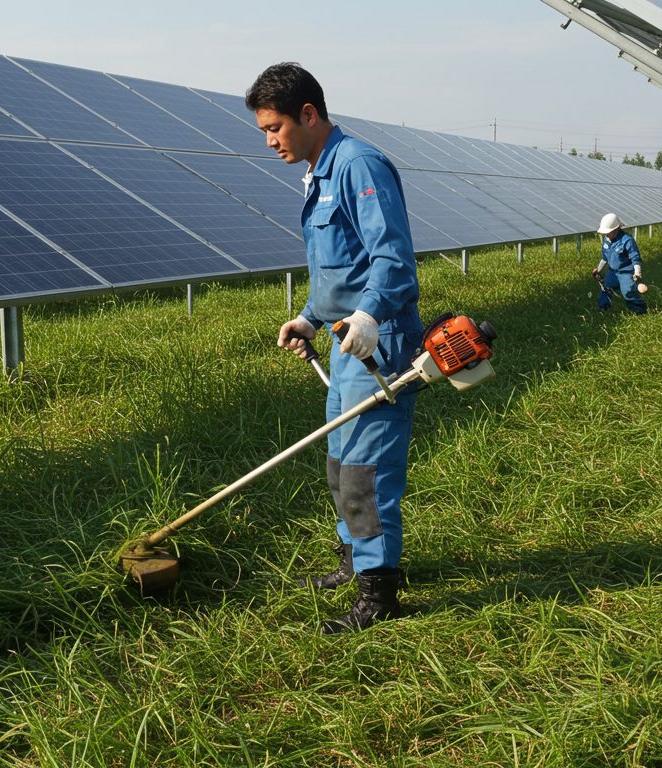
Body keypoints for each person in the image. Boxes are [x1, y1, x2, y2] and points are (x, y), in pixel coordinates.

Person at [246, 62, 421, 634]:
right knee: (340, 462)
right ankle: (354, 561)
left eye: (275, 128)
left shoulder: (358, 166)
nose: (270, 141)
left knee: (365, 473)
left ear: (309, 114)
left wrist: (369, 315)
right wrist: (308, 319)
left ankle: (379, 592)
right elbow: (339, 271)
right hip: (348, 342)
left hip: (379, 344)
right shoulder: (321, 173)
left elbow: (393, 258)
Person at [592, 213, 647, 315]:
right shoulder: (606, 241)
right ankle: (603, 308)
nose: (606, 235)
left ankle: (640, 312)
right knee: (606, 287)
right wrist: (598, 270)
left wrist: (637, 273)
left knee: (628, 292)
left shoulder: (627, 240)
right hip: (613, 272)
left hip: (626, 273)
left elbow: (635, 258)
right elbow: (605, 258)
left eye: (608, 232)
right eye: (605, 233)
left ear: (616, 229)